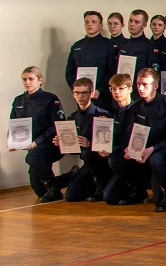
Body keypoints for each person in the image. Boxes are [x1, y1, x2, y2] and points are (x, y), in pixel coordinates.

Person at [119, 68, 166, 212]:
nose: (140, 88)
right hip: (146, 150)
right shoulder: (136, 107)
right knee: (119, 158)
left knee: (156, 160)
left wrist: (153, 149)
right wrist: (132, 147)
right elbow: (134, 132)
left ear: (155, 86)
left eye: (145, 84)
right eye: (138, 84)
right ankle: (138, 188)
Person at [9, 66, 66, 202]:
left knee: (32, 157)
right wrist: (13, 141)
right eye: (24, 79)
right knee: (40, 191)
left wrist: (37, 142)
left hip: (51, 144)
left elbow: (56, 126)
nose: (27, 82)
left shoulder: (50, 99)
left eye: (31, 79)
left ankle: (55, 190)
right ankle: (69, 177)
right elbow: (14, 124)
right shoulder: (18, 100)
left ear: (40, 80)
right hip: (34, 148)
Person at [55, 77, 112, 202]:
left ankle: (101, 184)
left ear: (91, 94)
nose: (80, 96)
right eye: (77, 93)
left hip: (102, 164)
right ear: (73, 94)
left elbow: (107, 146)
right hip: (87, 165)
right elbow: (74, 152)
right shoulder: (73, 117)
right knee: (71, 196)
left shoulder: (102, 115)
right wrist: (63, 143)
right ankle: (80, 178)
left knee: (87, 153)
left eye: (84, 93)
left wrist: (89, 144)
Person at [99, 73, 139, 205]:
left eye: (121, 88)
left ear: (130, 89)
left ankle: (137, 188)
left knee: (114, 159)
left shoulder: (137, 110)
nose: (116, 92)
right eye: (113, 89)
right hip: (120, 157)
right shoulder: (114, 112)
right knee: (109, 198)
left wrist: (112, 149)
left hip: (134, 157)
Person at [65, 10, 118, 110]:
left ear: (100, 25)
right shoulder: (77, 46)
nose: (89, 24)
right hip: (81, 97)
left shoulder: (109, 45)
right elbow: (70, 72)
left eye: (94, 22)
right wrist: (76, 90)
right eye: (87, 22)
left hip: (102, 97)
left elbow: (112, 72)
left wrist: (99, 90)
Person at [116, 9, 155, 79]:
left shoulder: (149, 46)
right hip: (122, 83)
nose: (132, 24)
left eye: (136, 22)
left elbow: (152, 73)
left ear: (144, 25)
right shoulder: (123, 44)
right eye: (130, 20)